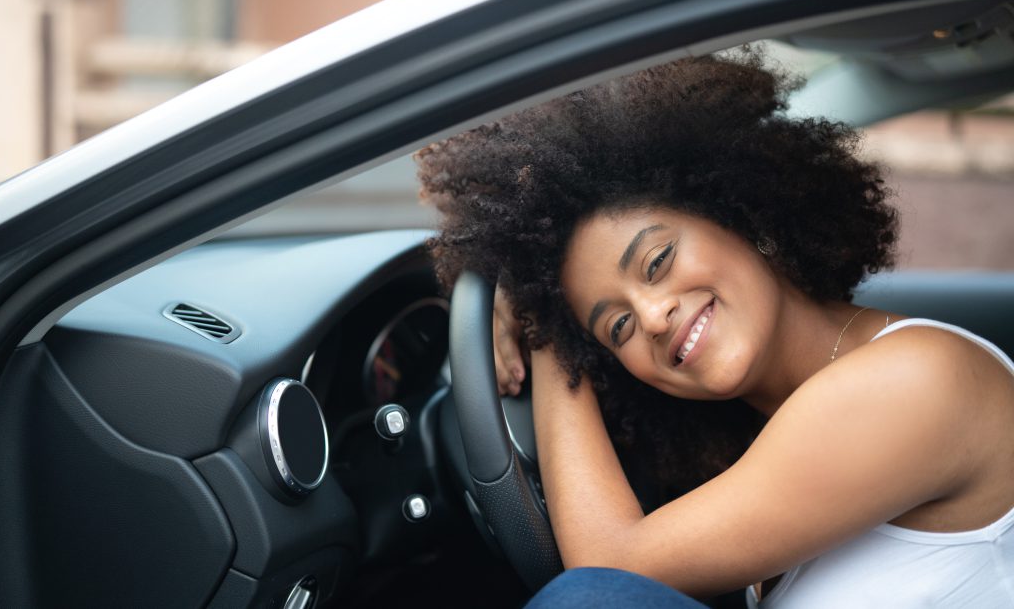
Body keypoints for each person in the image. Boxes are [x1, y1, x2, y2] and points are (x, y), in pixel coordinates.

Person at [415, 50, 1014, 607]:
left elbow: (607, 576)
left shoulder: (913, 379)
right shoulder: (770, 440)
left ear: (743, 216)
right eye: (617, 327)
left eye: (657, 261)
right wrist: (546, 305)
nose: (652, 318)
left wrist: (544, 326)